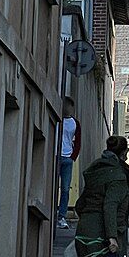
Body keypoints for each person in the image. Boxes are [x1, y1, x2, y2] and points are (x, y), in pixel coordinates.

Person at [58, 98, 82, 230]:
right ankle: (55, 213)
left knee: (66, 189)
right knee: (53, 187)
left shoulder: (75, 123)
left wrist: (73, 156)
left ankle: (61, 216)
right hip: (56, 156)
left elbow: (78, 141)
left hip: (67, 158)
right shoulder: (57, 118)